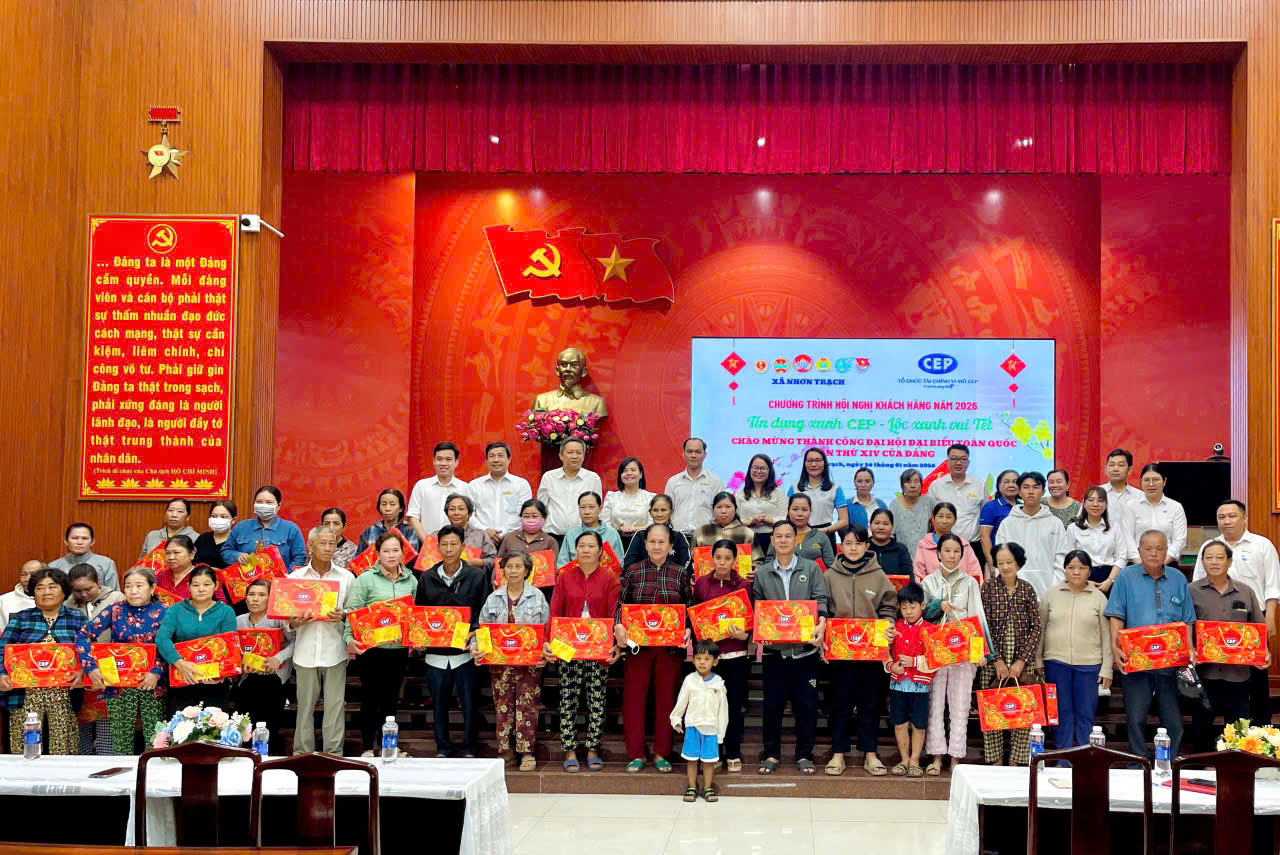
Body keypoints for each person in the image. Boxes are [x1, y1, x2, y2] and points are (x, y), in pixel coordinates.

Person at [1105, 530, 1197, 758]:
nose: (1154, 553)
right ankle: (1138, 764)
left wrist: (1190, 648)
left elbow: (1187, 620)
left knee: (1173, 721)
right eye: (1148, 549)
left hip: (1171, 663)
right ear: (1139, 551)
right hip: (1137, 661)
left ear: (1167, 551)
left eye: (1159, 548)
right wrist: (1115, 647)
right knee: (1136, 718)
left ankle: (1169, 763)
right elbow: (1116, 615)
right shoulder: (1126, 577)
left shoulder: (1178, 578)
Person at [1191, 500, 1280, 724]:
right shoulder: (1209, 547)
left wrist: (1269, 618)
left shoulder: (1262, 545)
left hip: (1252, 619)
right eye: (1221, 517)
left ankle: (1260, 732)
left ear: (1245, 518)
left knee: (1257, 679)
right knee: (1214, 679)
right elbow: (1197, 583)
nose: (1226, 521)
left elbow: (1272, 585)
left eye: (1232, 516)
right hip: (1213, 623)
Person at [753, 519, 831, 775]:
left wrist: (821, 623)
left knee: (806, 706)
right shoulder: (763, 572)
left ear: (796, 540)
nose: (784, 540)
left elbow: (820, 599)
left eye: (788, 536)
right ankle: (771, 754)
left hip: (805, 651)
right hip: (774, 652)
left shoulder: (811, 568)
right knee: (772, 706)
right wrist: (761, 630)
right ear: (772, 541)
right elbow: (758, 605)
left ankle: (804, 755)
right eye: (779, 536)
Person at [615, 523, 693, 773]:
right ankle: (636, 753)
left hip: (670, 649)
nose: (657, 546)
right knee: (634, 700)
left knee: (667, 700)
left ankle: (662, 752)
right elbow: (620, 605)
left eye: (662, 542)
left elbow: (689, 608)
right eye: (652, 542)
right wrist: (618, 625)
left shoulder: (680, 573)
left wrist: (688, 629)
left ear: (670, 546)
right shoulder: (633, 572)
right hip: (639, 648)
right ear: (645, 544)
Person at [825, 524, 898, 776]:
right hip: (840, 652)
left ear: (867, 546)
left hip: (871, 652)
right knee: (840, 703)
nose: (853, 548)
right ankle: (838, 753)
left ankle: (870, 754)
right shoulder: (829, 576)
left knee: (870, 703)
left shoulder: (878, 575)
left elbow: (888, 606)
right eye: (848, 543)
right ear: (841, 546)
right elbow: (823, 608)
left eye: (858, 543)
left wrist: (888, 624)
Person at [547, 530, 622, 772]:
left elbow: (615, 613)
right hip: (567, 648)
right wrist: (549, 641)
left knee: (596, 700)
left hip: (599, 649)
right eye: (581, 546)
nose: (586, 550)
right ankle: (569, 749)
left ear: (601, 551)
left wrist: (614, 644)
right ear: (575, 550)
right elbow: (555, 612)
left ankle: (592, 749)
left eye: (591, 546)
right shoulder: (565, 577)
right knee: (567, 699)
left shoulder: (610, 578)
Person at [76, 566, 168, 755]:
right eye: (128, 586)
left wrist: (157, 672)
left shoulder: (165, 611)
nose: (133, 590)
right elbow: (83, 635)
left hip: (152, 682)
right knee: (120, 739)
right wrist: (90, 667)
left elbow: (172, 646)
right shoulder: (115, 610)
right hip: (119, 683)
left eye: (139, 586)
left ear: (152, 588)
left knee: (156, 738)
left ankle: (152, 772)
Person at [415, 524, 489, 758]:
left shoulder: (476, 576)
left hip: (465, 652)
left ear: (463, 547)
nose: (449, 549)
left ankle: (469, 747)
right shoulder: (427, 578)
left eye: (453, 544)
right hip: (436, 654)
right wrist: (419, 639)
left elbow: (483, 611)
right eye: (444, 544)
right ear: (437, 548)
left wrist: (474, 634)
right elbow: (419, 614)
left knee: (470, 703)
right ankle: (443, 747)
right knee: (438, 704)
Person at [921, 533, 990, 775]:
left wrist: (978, 652)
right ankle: (936, 756)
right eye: (947, 551)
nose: (951, 556)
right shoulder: (928, 582)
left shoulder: (970, 582)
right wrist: (937, 606)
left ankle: (956, 757)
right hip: (937, 653)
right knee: (935, 704)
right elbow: (921, 617)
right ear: (938, 553)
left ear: (962, 555)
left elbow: (977, 616)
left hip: (963, 653)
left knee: (960, 706)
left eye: (956, 552)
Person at [345, 531, 418, 757]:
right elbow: (353, 612)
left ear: (403, 553)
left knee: (391, 700)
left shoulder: (412, 580)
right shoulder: (365, 579)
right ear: (377, 553)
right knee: (370, 699)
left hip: (398, 652)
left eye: (396, 550)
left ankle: (389, 746)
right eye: (386, 551)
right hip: (372, 651)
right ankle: (368, 747)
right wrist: (349, 638)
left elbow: (415, 616)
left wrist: (413, 637)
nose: (391, 555)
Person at [1190, 541, 1269, 751]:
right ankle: (1201, 765)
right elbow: (1184, 627)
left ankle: (1232, 767)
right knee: (1201, 728)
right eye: (1209, 558)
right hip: (1204, 674)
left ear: (1230, 561)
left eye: (1220, 557)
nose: (1214, 562)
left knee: (1238, 730)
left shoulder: (1246, 592)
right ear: (1202, 562)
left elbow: (1258, 629)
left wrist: (1263, 654)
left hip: (1238, 675)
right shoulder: (1191, 591)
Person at [0, 567, 85, 755]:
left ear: (64, 591)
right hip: (25, 692)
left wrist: (82, 672)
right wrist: (2, 673)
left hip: (64, 692)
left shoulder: (77, 618)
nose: (46, 592)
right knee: (24, 747)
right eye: (40, 588)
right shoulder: (21, 618)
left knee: (63, 748)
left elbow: (88, 651)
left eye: (52, 587)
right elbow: (2, 648)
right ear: (33, 593)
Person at [478, 551, 549, 771]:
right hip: (500, 664)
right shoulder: (493, 598)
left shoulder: (537, 597)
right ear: (503, 570)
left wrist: (544, 653)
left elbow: (546, 631)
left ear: (527, 570)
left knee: (528, 707)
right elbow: (482, 631)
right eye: (509, 566)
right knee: (503, 706)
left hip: (529, 665)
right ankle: (505, 750)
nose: (514, 571)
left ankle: (527, 752)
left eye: (518, 566)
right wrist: (477, 650)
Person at [287, 526, 355, 756]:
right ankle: (302, 755)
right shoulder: (295, 579)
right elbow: (285, 618)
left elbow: (354, 612)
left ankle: (333, 755)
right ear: (310, 546)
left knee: (335, 708)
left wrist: (343, 615)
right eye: (322, 543)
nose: (327, 548)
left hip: (335, 650)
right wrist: (293, 622)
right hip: (305, 651)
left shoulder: (346, 577)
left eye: (331, 543)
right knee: (304, 708)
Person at [1039, 551, 1113, 749]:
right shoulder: (1051, 595)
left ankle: (1084, 756)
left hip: (1089, 665)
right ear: (1065, 570)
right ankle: (1063, 756)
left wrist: (1107, 667)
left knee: (1085, 713)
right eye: (1071, 567)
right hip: (1056, 662)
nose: (1076, 572)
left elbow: (1107, 635)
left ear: (1089, 571)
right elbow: (1041, 629)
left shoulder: (1099, 598)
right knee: (1061, 712)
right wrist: (1038, 659)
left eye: (1082, 568)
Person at [692, 539, 753, 773]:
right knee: (710, 707)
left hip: (736, 654)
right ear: (712, 559)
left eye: (728, 558)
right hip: (710, 658)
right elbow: (696, 619)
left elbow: (751, 620)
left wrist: (744, 634)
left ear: (735, 560)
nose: (722, 562)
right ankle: (713, 753)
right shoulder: (701, 583)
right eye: (718, 557)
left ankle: (733, 752)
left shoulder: (744, 585)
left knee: (734, 706)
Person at [979, 543, 1042, 766]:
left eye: (1010, 562)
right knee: (993, 708)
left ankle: (1017, 761)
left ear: (1018, 563)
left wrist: (1021, 661)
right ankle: (995, 760)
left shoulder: (1027, 589)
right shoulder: (988, 588)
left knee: (1022, 710)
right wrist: (996, 660)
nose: (1005, 567)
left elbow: (1036, 627)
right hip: (992, 660)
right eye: (1001, 562)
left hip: (1022, 659)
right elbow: (984, 626)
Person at [155, 565, 238, 713]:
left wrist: (221, 674)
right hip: (183, 677)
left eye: (207, 584)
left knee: (213, 724)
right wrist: (180, 663)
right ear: (188, 586)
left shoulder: (226, 611)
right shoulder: (176, 610)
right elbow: (162, 638)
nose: (201, 589)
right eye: (196, 585)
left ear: (216, 586)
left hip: (215, 681)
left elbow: (229, 646)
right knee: (182, 724)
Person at [232, 578, 295, 754]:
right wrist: (240, 664)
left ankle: (267, 761)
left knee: (270, 726)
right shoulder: (238, 621)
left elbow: (295, 643)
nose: (255, 599)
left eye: (261, 595)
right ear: (245, 598)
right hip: (247, 680)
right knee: (245, 725)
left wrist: (278, 658)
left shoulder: (279, 620)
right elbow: (232, 649)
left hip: (274, 680)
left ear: (270, 598)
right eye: (251, 594)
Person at [68, 565, 124, 754]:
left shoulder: (116, 598)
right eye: (78, 590)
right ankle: (82, 759)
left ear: (98, 582)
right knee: (81, 719)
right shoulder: (68, 604)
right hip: (80, 666)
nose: (83, 594)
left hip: (110, 665)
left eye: (88, 589)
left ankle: (106, 757)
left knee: (107, 719)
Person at [671, 639, 729, 803]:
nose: (702, 662)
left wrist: (720, 732)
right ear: (693, 659)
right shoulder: (690, 680)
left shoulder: (718, 683)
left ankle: (708, 787)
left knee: (709, 762)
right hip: (692, 727)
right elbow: (682, 701)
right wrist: (676, 719)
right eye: (698, 658)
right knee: (691, 760)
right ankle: (692, 787)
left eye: (707, 659)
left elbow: (723, 710)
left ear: (715, 661)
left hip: (711, 729)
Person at [995, 472, 1070, 597]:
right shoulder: (1007, 524)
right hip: (1015, 592)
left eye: (1035, 487)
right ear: (1019, 492)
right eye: (1026, 487)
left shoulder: (1055, 523)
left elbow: (1062, 558)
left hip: (1049, 590)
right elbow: (1000, 559)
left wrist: (1055, 589)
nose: (1030, 492)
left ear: (1043, 491)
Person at [886, 583, 934, 777]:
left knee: (919, 725)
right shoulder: (894, 627)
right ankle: (904, 759)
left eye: (912, 607)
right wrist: (891, 666)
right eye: (904, 607)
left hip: (920, 686)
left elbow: (936, 659)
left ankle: (915, 760)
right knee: (899, 723)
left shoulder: (930, 630)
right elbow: (884, 652)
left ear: (922, 605)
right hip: (897, 684)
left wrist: (914, 661)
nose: (908, 611)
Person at [1065, 487, 1137, 594]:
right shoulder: (1073, 528)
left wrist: (1110, 580)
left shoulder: (1114, 527)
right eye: (1091, 500)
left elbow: (1121, 556)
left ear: (1106, 505)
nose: (1095, 504)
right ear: (1084, 504)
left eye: (1100, 500)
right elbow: (1069, 558)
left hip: (1110, 577)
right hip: (1083, 577)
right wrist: (1085, 581)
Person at [537, 437, 603, 546]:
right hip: (553, 538)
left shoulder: (593, 478)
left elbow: (597, 510)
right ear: (561, 455)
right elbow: (541, 508)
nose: (574, 456)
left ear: (583, 456)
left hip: (583, 539)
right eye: (570, 452)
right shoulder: (549, 477)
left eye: (578, 453)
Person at [222, 485, 307, 570]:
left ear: (278, 506)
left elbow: (299, 558)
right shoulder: (241, 527)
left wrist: (285, 574)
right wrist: (237, 556)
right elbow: (225, 551)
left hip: (280, 578)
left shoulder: (291, 529)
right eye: (259, 502)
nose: (263, 505)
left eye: (269, 502)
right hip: (247, 577)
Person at [406, 441, 472, 543]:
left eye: (448, 459)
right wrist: (427, 542)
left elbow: (470, 519)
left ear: (456, 462)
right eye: (439, 459)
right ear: (434, 461)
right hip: (426, 545)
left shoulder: (465, 488)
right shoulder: (422, 486)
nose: (443, 463)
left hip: (457, 545)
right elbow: (413, 516)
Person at [470, 440, 533, 545]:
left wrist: (502, 533)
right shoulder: (474, 485)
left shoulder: (521, 484)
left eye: (500, 456)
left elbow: (524, 514)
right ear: (486, 460)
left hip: (513, 540)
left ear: (509, 459)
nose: (496, 460)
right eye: (492, 456)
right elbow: (469, 515)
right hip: (481, 540)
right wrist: (485, 531)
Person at [926, 444, 985, 554]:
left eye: (963, 459)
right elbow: (930, 515)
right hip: (942, 545)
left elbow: (985, 514)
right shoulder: (936, 486)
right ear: (947, 461)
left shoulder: (979, 485)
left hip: (972, 545)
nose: (958, 463)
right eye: (954, 459)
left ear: (968, 462)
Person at [664, 438, 725, 538]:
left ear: (705, 455)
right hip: (678, 537)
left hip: (706, 537)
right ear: (683, 454)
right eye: (689, 451)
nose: (693, 455)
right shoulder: (673, 482)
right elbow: (666, 511)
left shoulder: (715, 482)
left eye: (698, 452)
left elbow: (720, 512)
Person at [1130, 464, 1188, 566]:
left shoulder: (1176, 507)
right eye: (1146, 480)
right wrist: (1141, 565)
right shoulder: (1131, 506)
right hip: (1137, 564)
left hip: (1167, 564)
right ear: (1141, 482)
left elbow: (1180, 540)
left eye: (1156, 480)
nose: (1151, 484)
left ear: (1164, 481)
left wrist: (1161, 564)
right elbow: (1127, 540)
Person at [913, 503, 982, 584]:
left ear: (955, 520)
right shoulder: (924, 545)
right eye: (940, 516)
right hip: (932, 590)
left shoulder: (964, 545)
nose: (944, 521)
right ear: (933, 518)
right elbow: (919, 576)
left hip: (962, 590)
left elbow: (975, 572)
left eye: (949, 517)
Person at [735, 453, 788, 558]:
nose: (759, 471)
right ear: (750, 470)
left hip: (772, 540)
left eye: (763, 468)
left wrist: (769, 520)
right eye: (755, 468)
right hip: (746, 540)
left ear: (770, 471)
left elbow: (785, 519)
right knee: (748, 568)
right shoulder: (740, 493)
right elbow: (735, 521)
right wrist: (750, 522)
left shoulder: (779, 493)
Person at [787, 446, 847, 536]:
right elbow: (786, 515)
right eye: (809, 461)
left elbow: (844, 520)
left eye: (818, 460)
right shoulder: (794, 487)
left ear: (824, 463)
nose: (814, 464)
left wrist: (824, 531)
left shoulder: (835, 488)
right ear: (804, 464)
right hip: (798, 533)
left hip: (826, 534)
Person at [532, 346, 609, 416]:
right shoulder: (541, 401)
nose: (568, 369)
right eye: (564, 364)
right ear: (557, 371)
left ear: (583, 372)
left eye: (574, 365)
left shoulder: (597, 403)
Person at [765, 494, 835, 569]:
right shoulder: (779, 535)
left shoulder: (820, 536)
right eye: (795, 509)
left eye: (804, 510)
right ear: (788, 511)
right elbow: (768, 564)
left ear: (810, 512)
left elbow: (831, 567)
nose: (800, 514)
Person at [621, 494, 692, 569]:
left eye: (663, 510)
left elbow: (687, 565)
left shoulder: (678, 536)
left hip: (672, 576)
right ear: (650, 512)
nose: (659, 514)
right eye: (655, 510)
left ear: (671, 512)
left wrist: (673, 574)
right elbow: (628, 564)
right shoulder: (640, 535)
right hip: (643, 576)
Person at [556, 491, 625, 567]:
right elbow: (562, 564)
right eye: (583, 507)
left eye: (591, 507)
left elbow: (619, 564)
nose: (587, 512)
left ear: (600, 509)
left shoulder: (612, 534)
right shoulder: (571, 534)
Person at [602, 457, 654, 551]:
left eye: (633, 470)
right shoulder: (611, 497)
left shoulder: (650, 498)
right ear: (620, 475)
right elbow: (604, 524)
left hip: (643, 545)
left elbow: (653, 523)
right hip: (615, 545)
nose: (629, 473)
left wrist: (634, 529)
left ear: (641, 474)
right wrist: (618, 529)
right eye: (625, 471)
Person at [50, 523, 119, 591]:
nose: (79, 542)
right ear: (66, 541)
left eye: (85, 538)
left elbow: (114, 594)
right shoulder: (53, 566)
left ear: (92, 542)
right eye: (75, 538)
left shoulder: (106, 563)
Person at [157, 535, 227, 602]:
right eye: (168, 553)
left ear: (192, 554)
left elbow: (221, 603)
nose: (171, 557)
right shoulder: (160, 576)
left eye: (176, 552)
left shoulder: (206, 573)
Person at [357, 488, 423, 555]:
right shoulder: (369, 532)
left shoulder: (409, 531)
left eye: (392, 504)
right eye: (384, 504)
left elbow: (411, 558)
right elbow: (359, 559)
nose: (387, 508)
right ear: (379, 508)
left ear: (401, 508)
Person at [444, 493, 499, 573]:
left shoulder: (481, 535)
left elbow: (494, 559)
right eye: (452, 509)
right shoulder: (436, 536)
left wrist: (480, 562)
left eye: (461, 509)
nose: (456, 513)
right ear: (447, 513)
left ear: (469, 513)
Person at [890, 468, 936, 561]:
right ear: (902, 486)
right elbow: (890, 534)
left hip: (926, 555)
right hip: (901, 556)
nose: (913, 485)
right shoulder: (894, 504)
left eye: (916, 481)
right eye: (908, 482)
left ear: (921, 485)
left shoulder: (929, 502)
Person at [978, 470, 1019, 573]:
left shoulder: (1022, 507)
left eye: (1015, 482)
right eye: (1006, 482)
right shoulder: (990, 507)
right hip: (998, 561)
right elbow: (984, 537)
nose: (1011, 485)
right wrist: (992, 563)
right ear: (999, 486)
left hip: (1019, 560)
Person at [497, 499, 559, 564]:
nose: (530, 519)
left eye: (535, 516)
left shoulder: (550, 542)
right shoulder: (509, 538)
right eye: (526, 516)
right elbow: (498, 564)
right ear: (521, 517)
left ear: (544, 518)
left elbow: (553, 566)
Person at [1099, 448, 1142, 534]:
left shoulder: (1140, 496)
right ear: (1106, 469)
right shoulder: (1095, 494)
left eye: (1121, 465)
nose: (1115, 469)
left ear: (1129, 470)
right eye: (1111, 465)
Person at [867, 508, 913, 577]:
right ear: (870, 526)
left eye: (886, 524)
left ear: (892, 527)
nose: (881, 527)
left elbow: (908, 577)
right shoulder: (863, 547)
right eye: (877, 523)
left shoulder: (901, 549)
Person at [193, 500, 237, 570]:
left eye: (223, 517)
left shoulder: (237, 541)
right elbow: (193, 562)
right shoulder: (203, 538)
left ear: (233, 520)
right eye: (214, 516)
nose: (218, 520)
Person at [0, 561, 40, 629]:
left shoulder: (53, 599)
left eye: (33, 574)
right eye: (24, 574)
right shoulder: (4, 600)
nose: (27, 579)